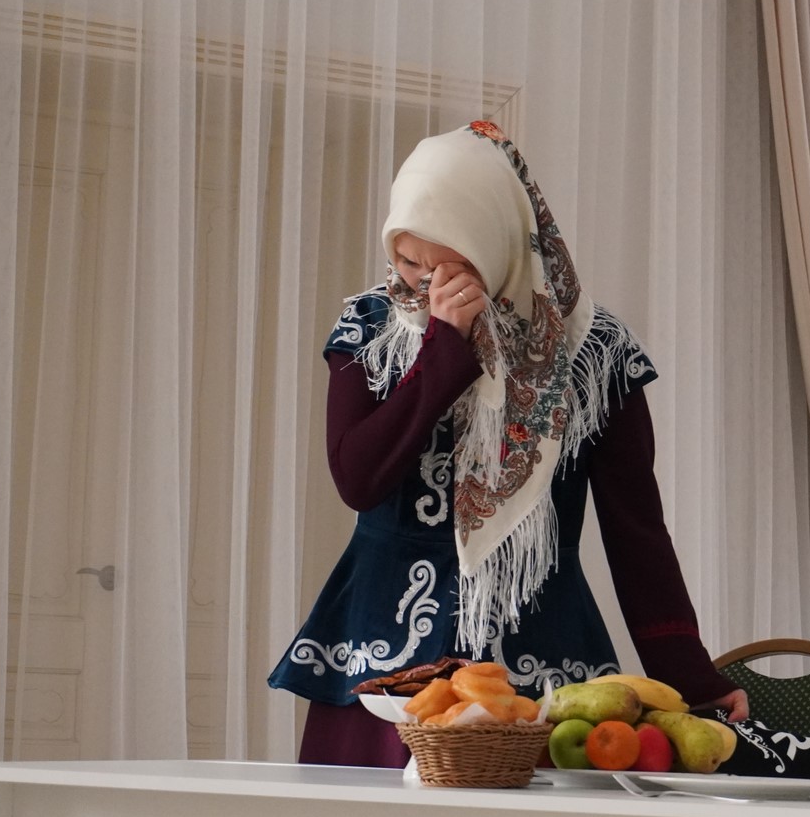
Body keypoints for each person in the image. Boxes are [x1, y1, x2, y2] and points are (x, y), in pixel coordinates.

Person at [268, 120, 747, 768]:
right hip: (384, 665)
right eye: (409, 261)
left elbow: (637, 532)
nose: (426, 284)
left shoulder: (594, 350)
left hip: (537, 662)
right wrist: (443, 347)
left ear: (497, 246)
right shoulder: (372, 325)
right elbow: (359, 477)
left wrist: (690, 676)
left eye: (453, 266)